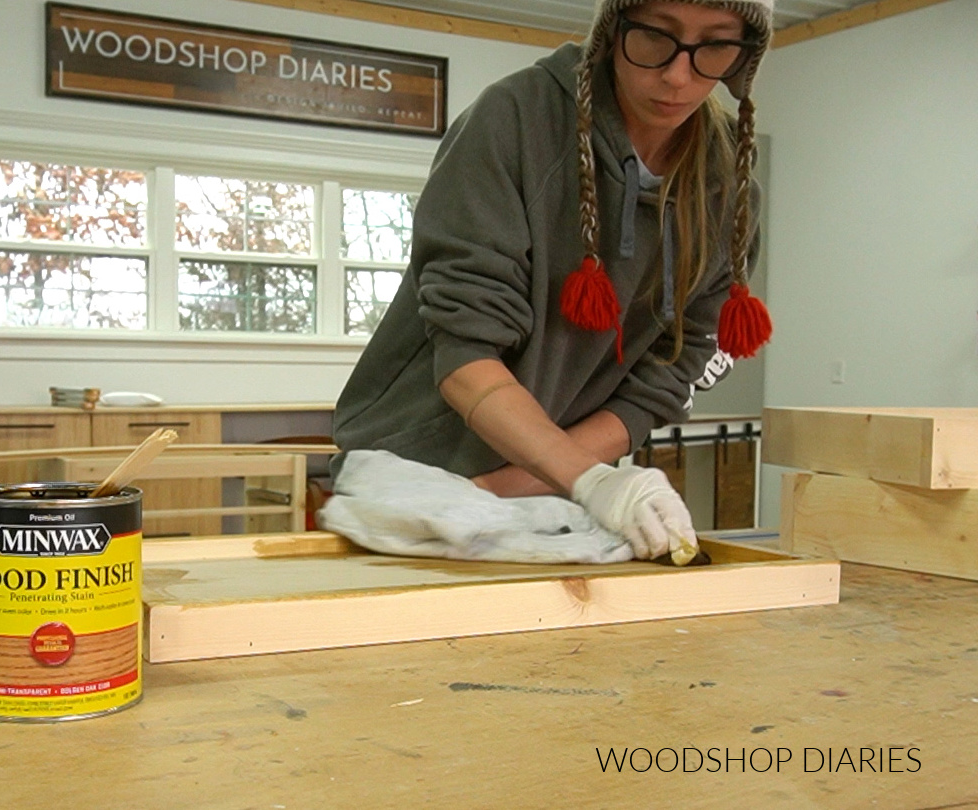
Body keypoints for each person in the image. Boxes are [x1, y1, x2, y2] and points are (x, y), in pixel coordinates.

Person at [331, 0, 774, 563]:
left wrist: (525, 488)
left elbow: (658, 385)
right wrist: (586, 481)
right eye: (656, 37)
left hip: (543, 489)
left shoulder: (728, 188)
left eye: (714, 45)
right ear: (613, 30)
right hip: (416, 476)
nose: (677, 75)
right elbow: (466, 359)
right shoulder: (515, 121)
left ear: (743, 57)